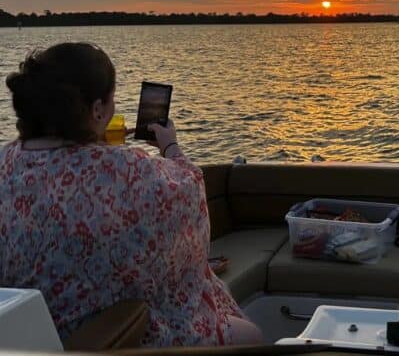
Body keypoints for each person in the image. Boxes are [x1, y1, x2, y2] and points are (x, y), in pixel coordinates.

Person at [0, 42, 262, 346]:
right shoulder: (128, 170)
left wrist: (99, 147)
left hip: (28, 333)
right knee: (250, 335)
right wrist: (170, 147)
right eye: (110, 101)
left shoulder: (6, 162)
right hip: (112, 331)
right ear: (97, 110)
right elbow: (189, 192)